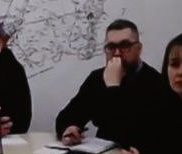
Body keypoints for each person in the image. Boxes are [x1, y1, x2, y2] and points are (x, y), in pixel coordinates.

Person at [55, 19, 168, 147]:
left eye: (125, 46)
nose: (117, 53)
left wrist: (113, 87)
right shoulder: (97, 78)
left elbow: (124, 132)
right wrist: (70, 128)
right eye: (111, 47)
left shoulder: (155, 82)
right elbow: (65, 117)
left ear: (139, 49)